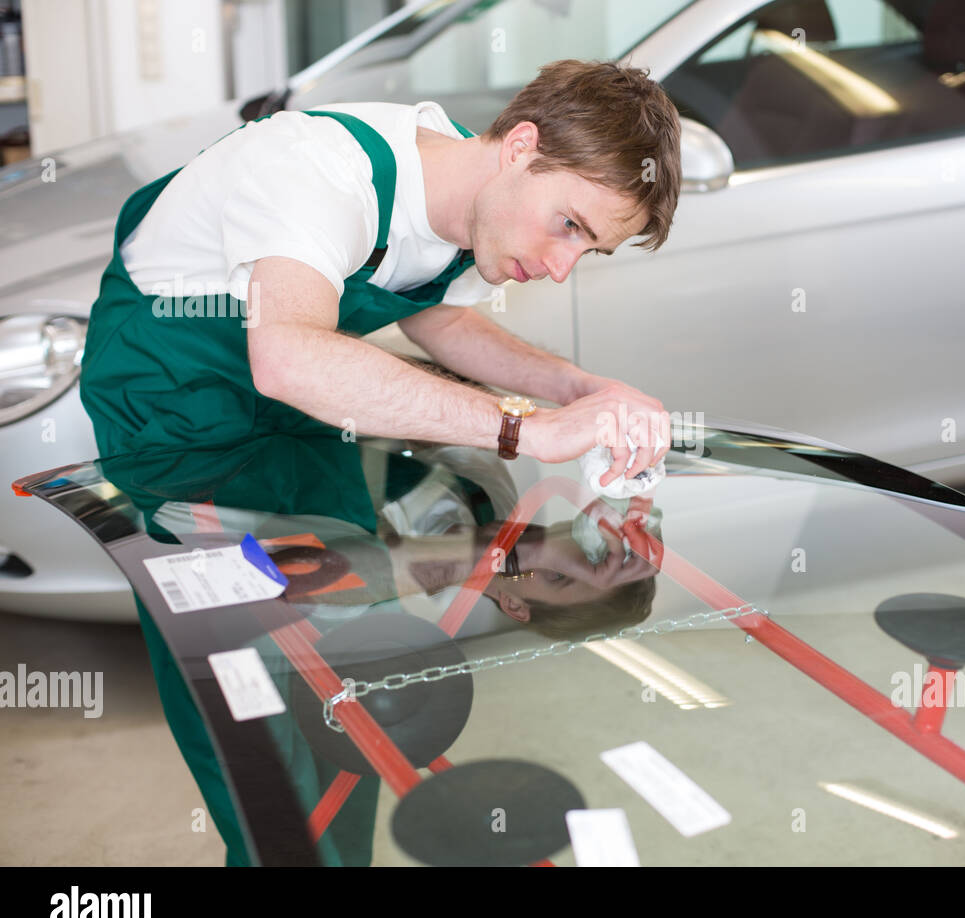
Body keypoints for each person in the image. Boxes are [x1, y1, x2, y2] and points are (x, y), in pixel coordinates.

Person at [76, 57, 683, 865]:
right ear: (521, 146)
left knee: (352, 687)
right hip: (180, 420)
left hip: (305, 420)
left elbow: (442, 319)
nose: (562, 265)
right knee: (255, 714)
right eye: (569, 225)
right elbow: (289, 357)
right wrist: (527, 428)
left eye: (590, 250)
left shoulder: (475, 203)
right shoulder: (320, 170)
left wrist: (583, 387)